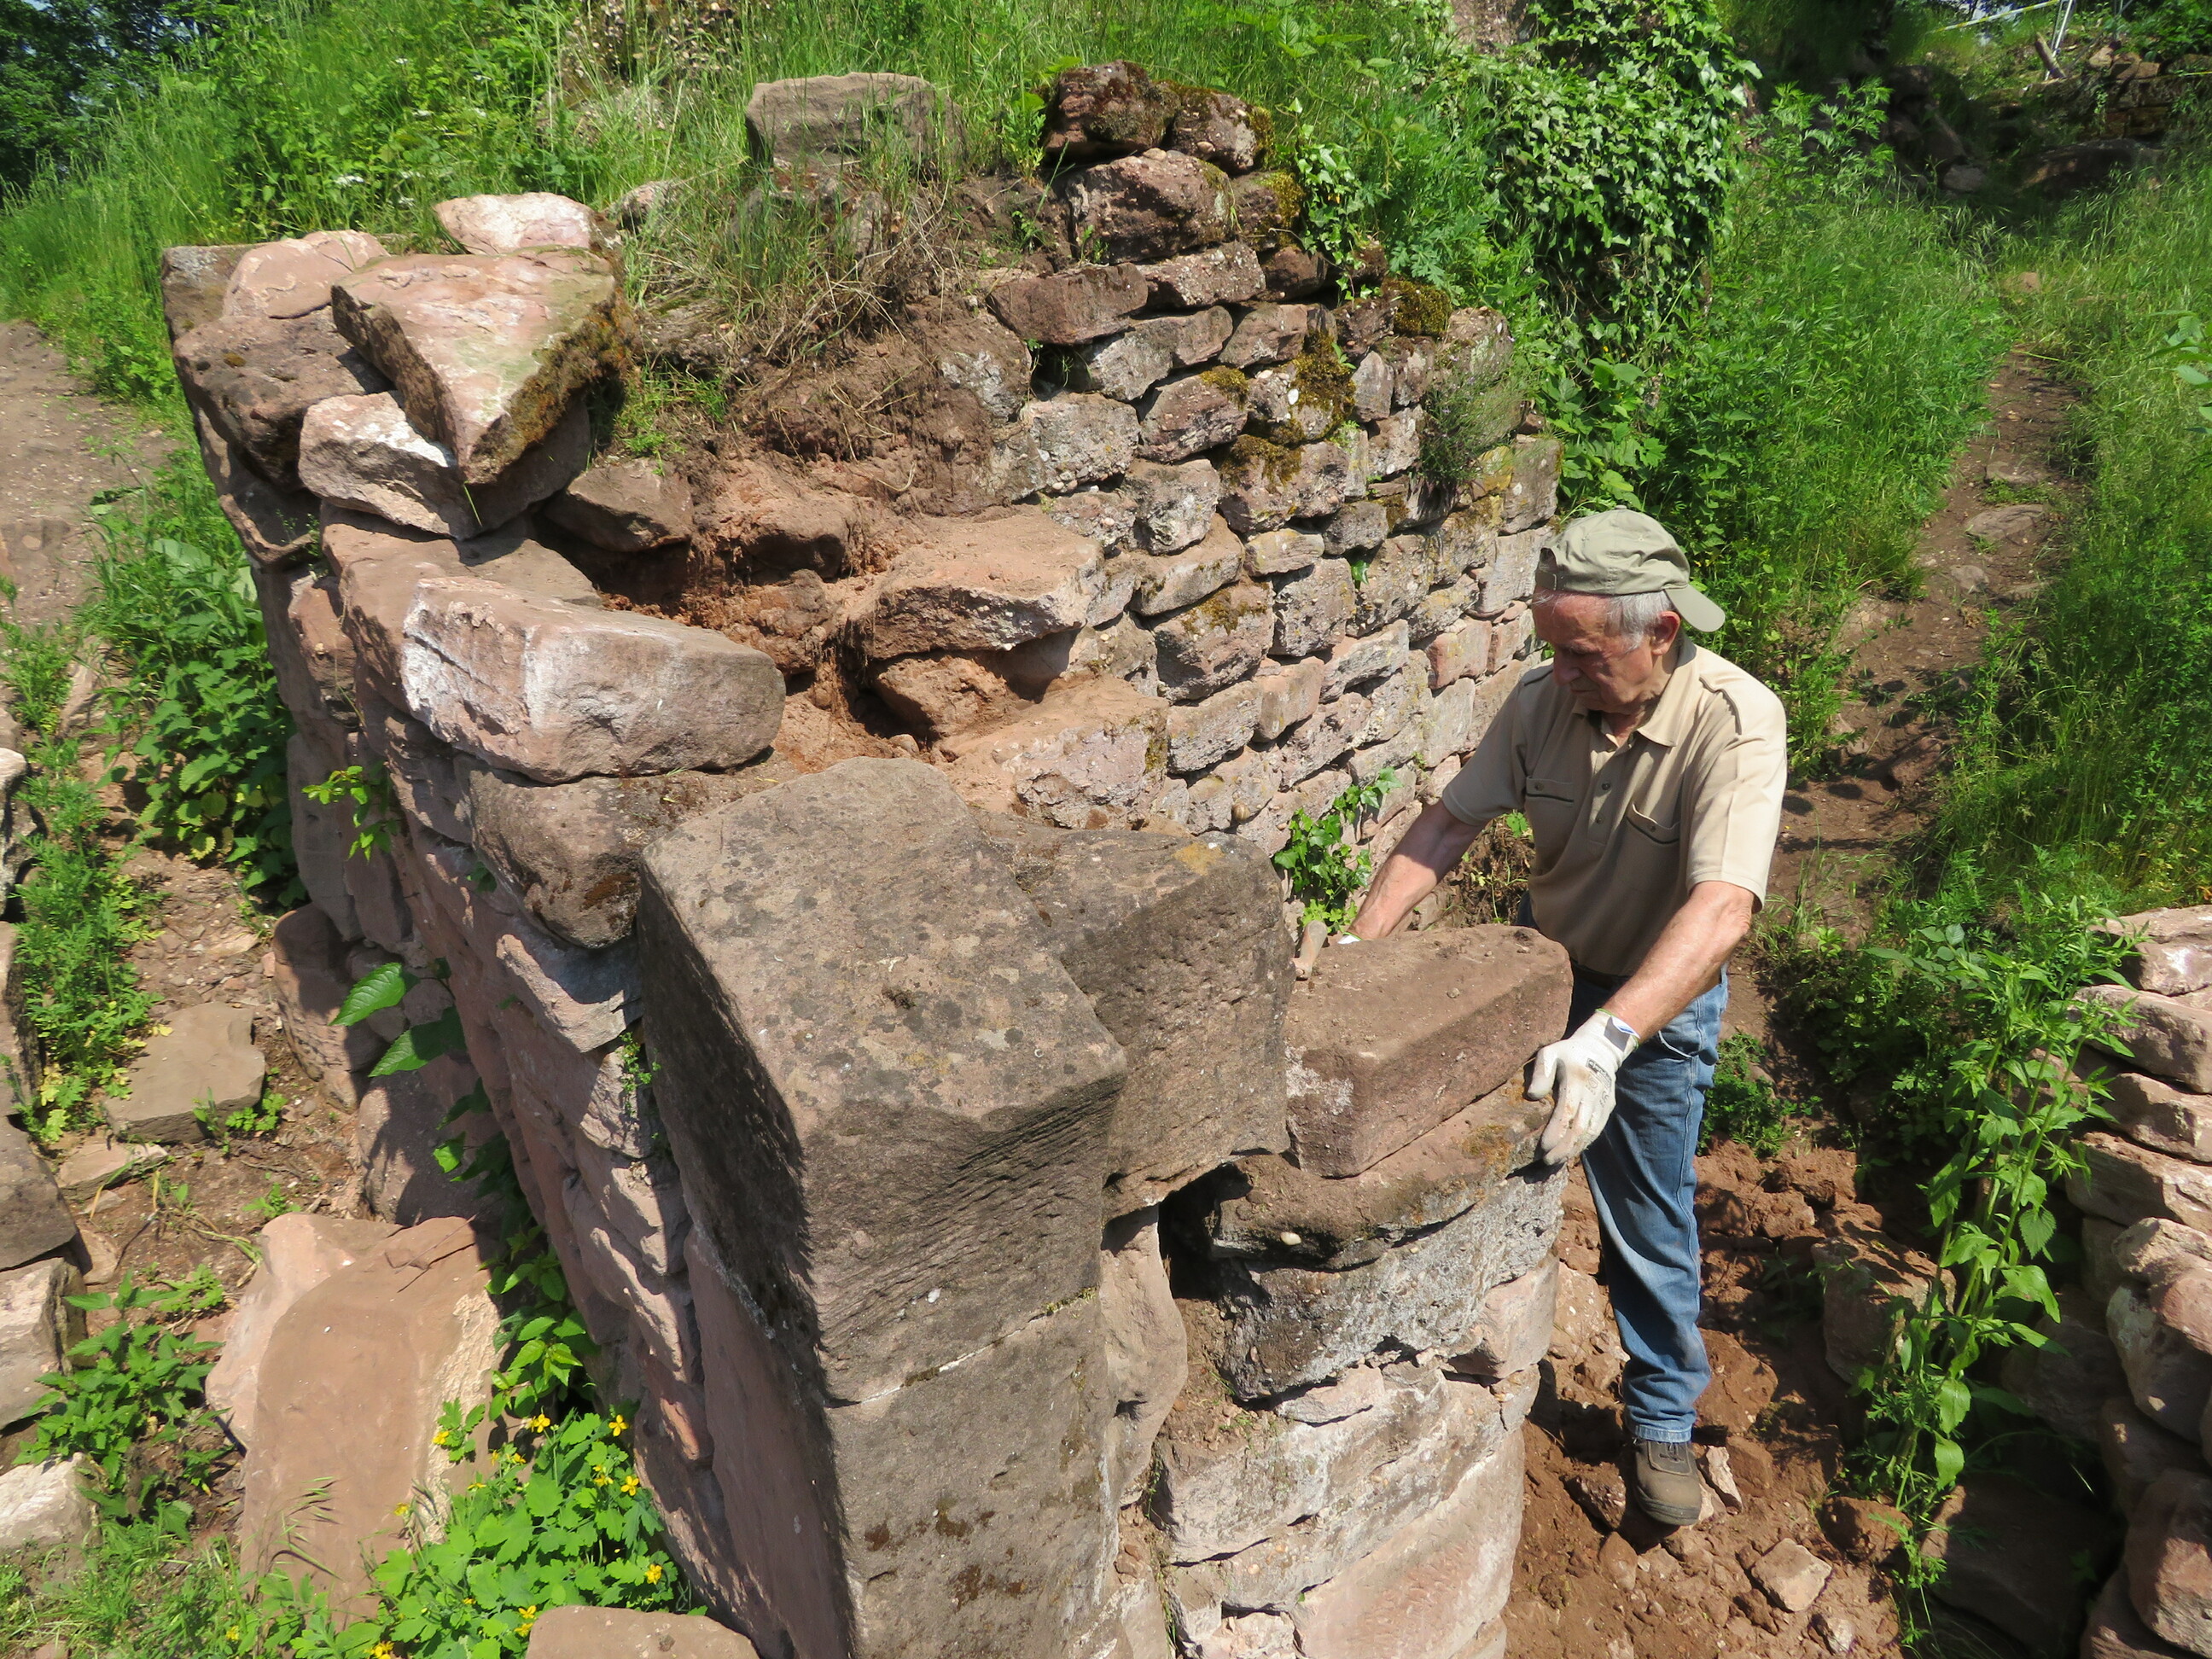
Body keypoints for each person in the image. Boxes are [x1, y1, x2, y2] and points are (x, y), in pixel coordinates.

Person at [1341, 508, 1788, 1528]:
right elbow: (1449, 824)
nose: (1563, 672)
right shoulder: (1544, 703)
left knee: (1646, 1217)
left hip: (1654, 1009)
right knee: (1491, 1167)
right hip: (1542, 975)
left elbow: (1723, 907)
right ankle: (1467, 1347)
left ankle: (1662, 1417)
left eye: (1583, 654)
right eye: (1553, 649)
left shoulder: (1734, 721)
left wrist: (1610, 1040)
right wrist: (1360, 951)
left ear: (1661, 632)